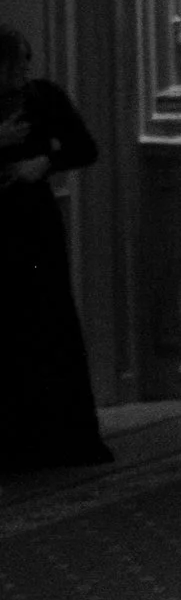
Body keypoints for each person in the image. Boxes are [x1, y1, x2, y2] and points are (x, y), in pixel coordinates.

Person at [0, 26, 111, 473]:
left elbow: (85, 148)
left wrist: (43, 160)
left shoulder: (43, 97)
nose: (25, 71)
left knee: (44, 322)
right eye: (16, 63)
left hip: (31, 225)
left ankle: (55, 437)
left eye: (27, 61)